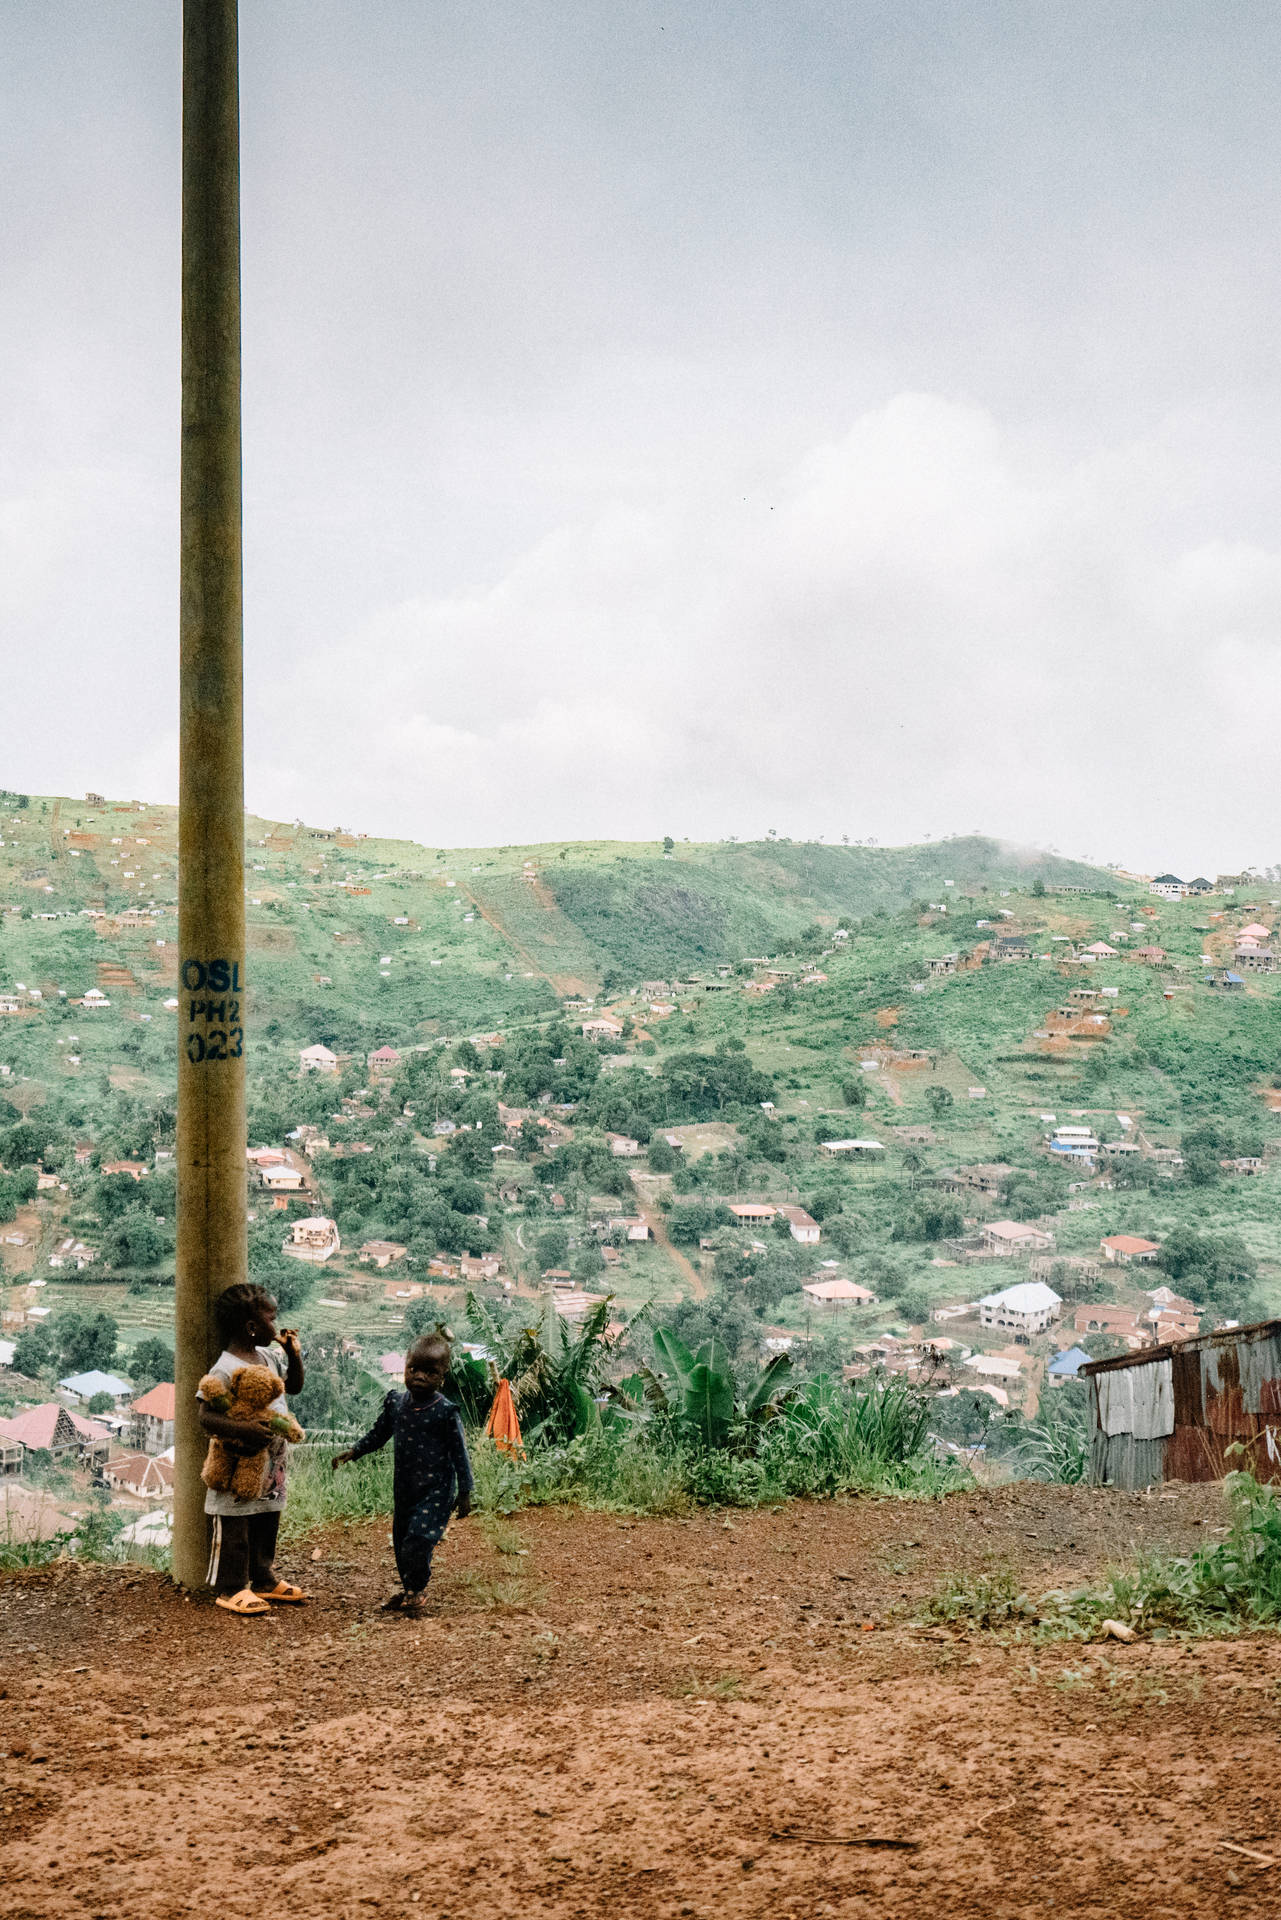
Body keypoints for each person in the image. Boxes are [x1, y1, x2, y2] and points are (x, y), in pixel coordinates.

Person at [331, 1332, 473, 1616]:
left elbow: (460, 1453)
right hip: (405, 1489)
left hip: (436, 1490)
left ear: (442, 1378)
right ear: (405, 1367)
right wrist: (356, 1451)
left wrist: (466, 1491)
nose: (419, 1376)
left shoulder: (446, 1412)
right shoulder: (396, 1404)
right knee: (401, 1540)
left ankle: (417, 1590)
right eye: (413, 1369)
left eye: (429, 1372)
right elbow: (379, 1434)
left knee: (419, 1538)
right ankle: (410, 1589)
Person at [196, 1282, 308, 1616]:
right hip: (238, 1462)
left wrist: (293, 1354)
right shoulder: (225, 1367)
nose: (277, 1326)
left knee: (266, 1521)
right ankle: (231, 1588)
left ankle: (263, 1578)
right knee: (236, 1526)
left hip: (272, 1465)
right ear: (251, 1326)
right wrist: (245, 1428)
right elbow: (205, 1416)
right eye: (272, 1318)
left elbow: (295, 1387)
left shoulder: (270, 1356)